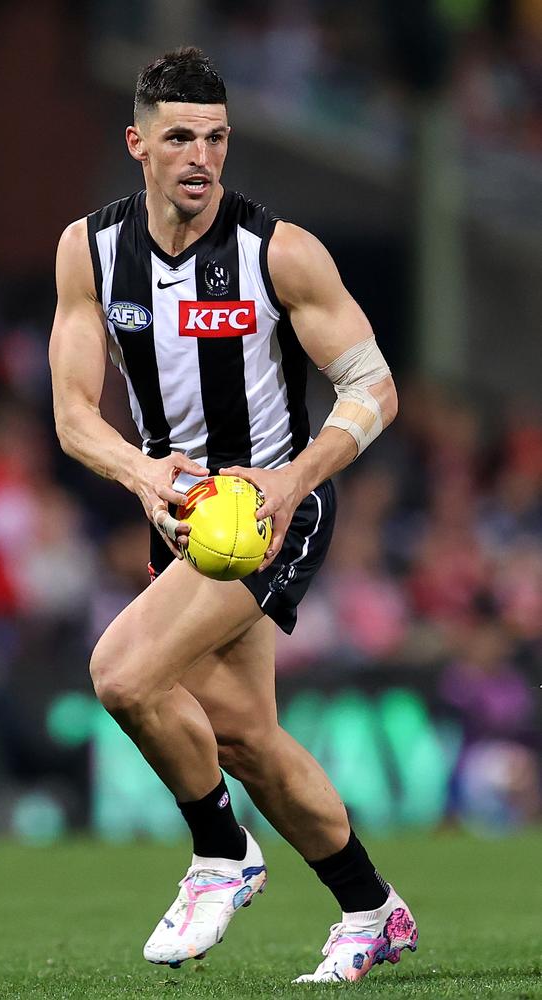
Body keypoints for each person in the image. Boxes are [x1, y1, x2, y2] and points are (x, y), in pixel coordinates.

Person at [49, 47, 418, 985]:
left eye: (215, 137)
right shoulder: (89, 251)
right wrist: (142, 476)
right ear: (138, 143)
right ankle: (372, 909)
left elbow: (372, 389)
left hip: (273, 510)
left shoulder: (277, 252)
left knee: (122, 675)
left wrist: (293, 481)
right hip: (180, 516)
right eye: (178, 137)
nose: (200, 156)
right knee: (244, 734)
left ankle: (221, 855)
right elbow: (72, 416)